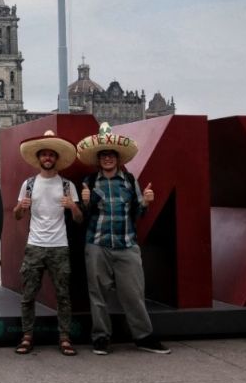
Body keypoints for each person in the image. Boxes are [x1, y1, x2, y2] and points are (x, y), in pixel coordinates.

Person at [76, 122, 170, 355]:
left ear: (118, 159)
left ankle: (144, 337)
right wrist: (85, 202)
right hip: (97, 244)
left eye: (112, 155)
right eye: (104, 155)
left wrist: (146, 203)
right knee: (97, 294)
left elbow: (138, 213)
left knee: (134, 293)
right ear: (98, 159)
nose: (108, 159)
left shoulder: (129, 181)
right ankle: (101, 337)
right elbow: (83, 218)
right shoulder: (89, 182)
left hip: (126, 245)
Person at [13, 130, 83, 356]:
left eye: (51, 155)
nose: (47, 158)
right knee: (28, 295)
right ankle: (27, 336)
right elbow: (16, 216)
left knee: (63, 295)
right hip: (35, 245)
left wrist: (73, 207)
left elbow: (79, 218)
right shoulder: (29, 184)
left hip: (59, 246)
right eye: (44, 155)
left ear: (56, 159)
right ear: (39, 158)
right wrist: (20, 207)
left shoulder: (67, 185)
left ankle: (64, 337)